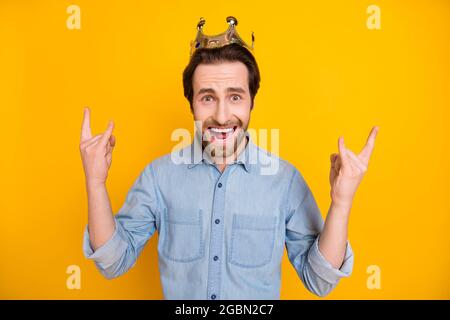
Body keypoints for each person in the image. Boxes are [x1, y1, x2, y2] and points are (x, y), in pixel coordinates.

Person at [79, 17, 378, 299]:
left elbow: (319, 280)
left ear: (251, 102)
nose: (222, 117)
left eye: (235, 97)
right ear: (191, 104)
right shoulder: (159, 177)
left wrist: (341, 202)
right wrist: (95, 182)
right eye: (207, 97)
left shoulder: (285, 181)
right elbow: (112, 261)